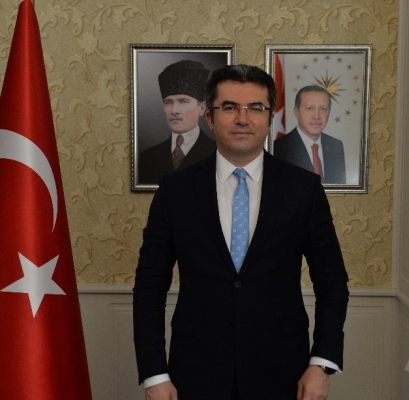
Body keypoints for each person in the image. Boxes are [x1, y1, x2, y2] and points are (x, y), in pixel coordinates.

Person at [133, 64, 349, 400]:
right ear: (210, 117)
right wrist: (154, 374)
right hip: (195, 371)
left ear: (271, 118)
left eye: (256, 108)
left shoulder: (303, 189)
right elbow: (149, 286)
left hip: (283, 371)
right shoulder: (175, 190)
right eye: (230, 107)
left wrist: (321, 363)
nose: (243, 119)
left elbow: (332, 282)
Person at [138, 60, 217, 185]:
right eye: (168, 102)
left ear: (201, 108)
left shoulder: (217, 152)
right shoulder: (148, 157)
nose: (174, 110)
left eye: (183, 101)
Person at [273, 86, 346, 184]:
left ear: (329, 113)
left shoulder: (336, 145)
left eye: (323, 109)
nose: (316, 116)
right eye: (310, 108)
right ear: (297, 112)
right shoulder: (279, 148)